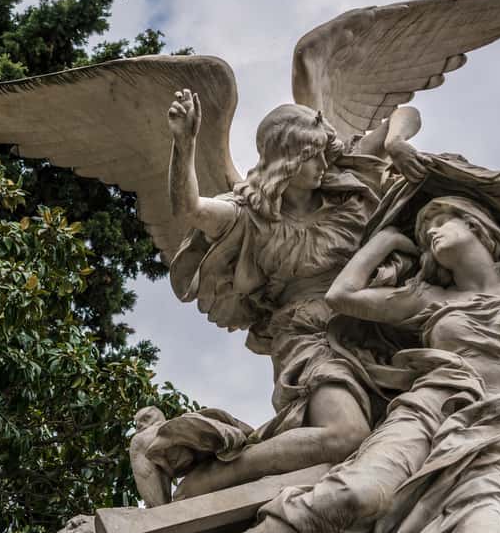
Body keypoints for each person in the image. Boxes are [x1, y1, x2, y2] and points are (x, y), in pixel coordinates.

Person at [234, 168, 500, 533]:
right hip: (428, 409)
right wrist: (385, 240)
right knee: (354, 496)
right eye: (425, 233)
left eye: (441, 223)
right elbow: (342, 296)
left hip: (497, 429)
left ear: (477, 226)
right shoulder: (428, 298)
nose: (431, 234)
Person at [145, 90, 427, 498]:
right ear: (289, 159)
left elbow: (405, 112)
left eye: (324, 154)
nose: (323, 164)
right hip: (309, 334)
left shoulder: (344, 184)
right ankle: (212, 478)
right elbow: (191, 208)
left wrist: (397, 143)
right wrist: (184, 144)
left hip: (378, 322)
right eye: (313, 156)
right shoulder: (251, 217)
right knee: (346, 435)